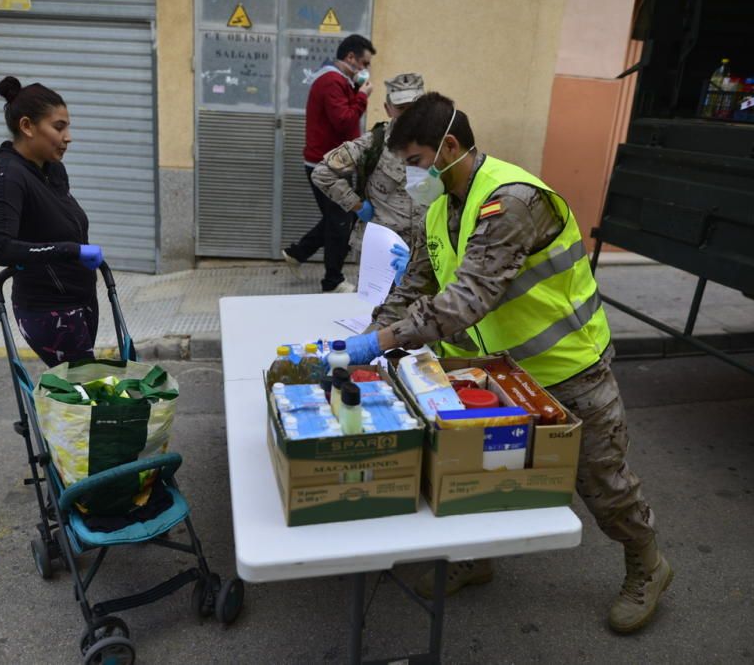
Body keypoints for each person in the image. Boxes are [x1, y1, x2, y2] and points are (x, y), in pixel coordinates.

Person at [340, 93, 671, 634]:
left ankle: (648, 565)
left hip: (566, 369)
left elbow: (468, 297)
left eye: (417, 162)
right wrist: (368, 336)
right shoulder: (443, 205)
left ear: (449, 146)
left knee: (601, 482)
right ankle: (476, 558)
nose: (412, 177)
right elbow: (416, 284)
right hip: (491, 375)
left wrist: (384, 340)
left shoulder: (511, 201)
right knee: (480, 472)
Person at [0, 76, 104, 367]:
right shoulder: (7, 176)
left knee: (80, 398)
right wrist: (70, 250)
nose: (68, 137)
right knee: (87, 398)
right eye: (59, 127)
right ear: (27, 126)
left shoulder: (52, 170)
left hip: (79, 300)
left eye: (67, 127)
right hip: (49, 310)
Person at [282, 34, 376, 293]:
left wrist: (355, 92)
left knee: (337, 217)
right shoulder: (332, 81)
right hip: (328, 167)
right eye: (365, 64)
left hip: (333, 163)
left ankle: (297, 253)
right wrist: (363, 96)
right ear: (350, 58)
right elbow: (344, 120)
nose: (366, 70)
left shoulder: (339, 81)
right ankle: (332, 281)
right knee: (340, 222)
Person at [311, 73, 426, 282]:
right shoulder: (373, 143)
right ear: (387, 108)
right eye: (401, 109)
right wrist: (356, 205)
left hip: (426, 251)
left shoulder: (441, 146)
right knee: (377, 309)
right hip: (384, 250)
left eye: (415, 108)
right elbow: (321, 173)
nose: (410, 116)